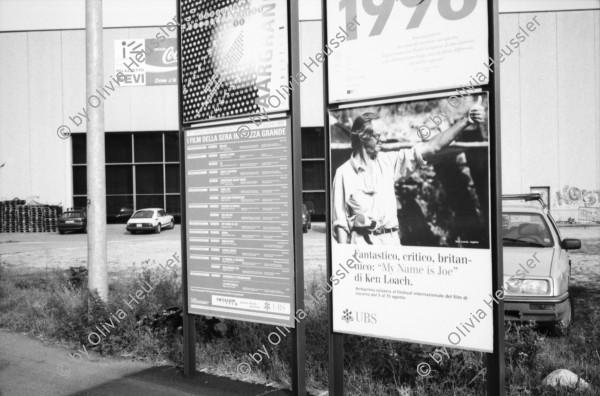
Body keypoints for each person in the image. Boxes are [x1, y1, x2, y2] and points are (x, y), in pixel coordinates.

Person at [332, 105, 486, 244]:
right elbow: (341, 225)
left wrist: (466, 121)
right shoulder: (343, 174)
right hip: (361, 250)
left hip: (391, 246)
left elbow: (432, 147)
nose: (384, 140)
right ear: (363, 137)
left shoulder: (389, 162)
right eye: (379, 135)